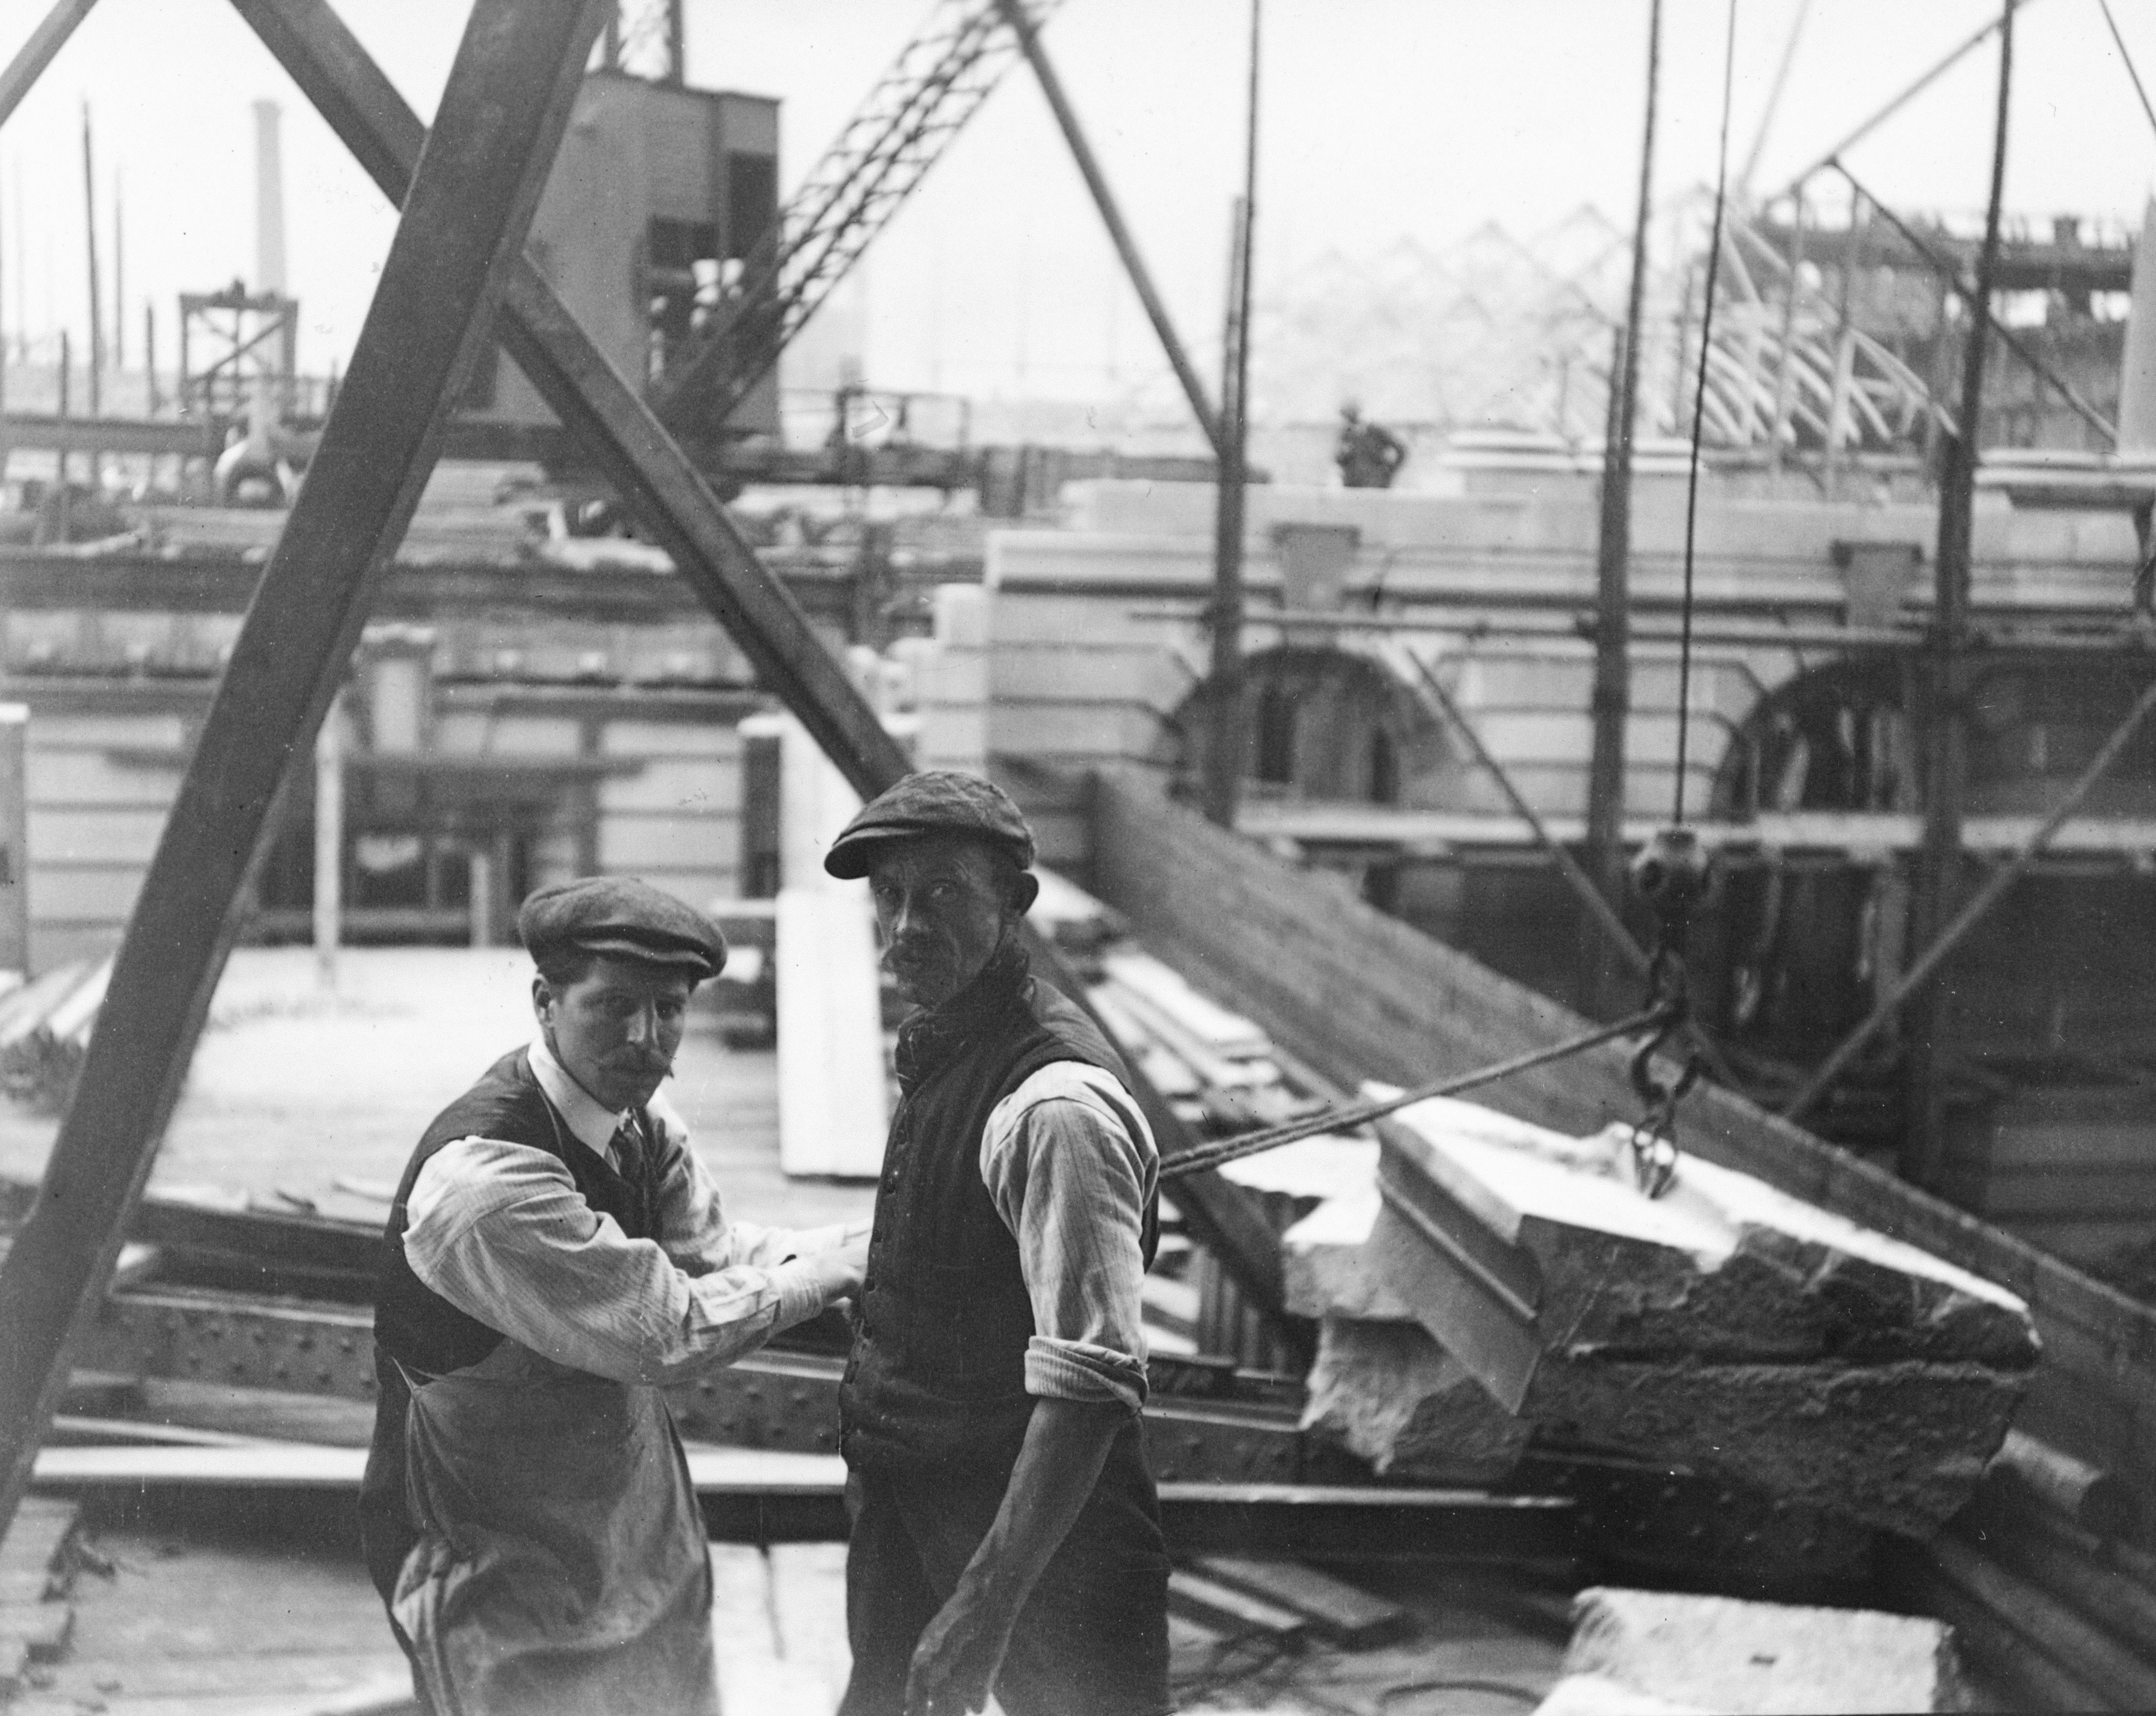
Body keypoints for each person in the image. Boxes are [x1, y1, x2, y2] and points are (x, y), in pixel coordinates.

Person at [358, 876, 868, 1715]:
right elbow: (664, 1328)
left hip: (631, 1521)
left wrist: (851, 1244)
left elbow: (704, 1262)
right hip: (497, 1548)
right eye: (613, 1005)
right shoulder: (485, 1184)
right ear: (544, 1003)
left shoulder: (639, 1119)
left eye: (668, 1009)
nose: (643, 1037)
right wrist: (826, 1274)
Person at [826, 772, 1171, 1716]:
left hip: (1048, 1566)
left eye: (941, 892)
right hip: (914, 1517)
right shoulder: (953, 1043)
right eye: (888, 895)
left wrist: (982, 1609)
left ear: (1013, 902)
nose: (905, 927)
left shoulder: (1054, 1108)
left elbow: (1089, 1385)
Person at [1336, 400, 1407, 489]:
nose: (1348, 418)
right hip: (1354, 486)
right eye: (1346, 415)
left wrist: (1390, 472)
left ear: (1357, 413)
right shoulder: (1346, 435)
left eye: (1351, 413)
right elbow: (1339, 460)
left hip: (1376, 484)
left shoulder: (1375, 431)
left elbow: (1401, 451)